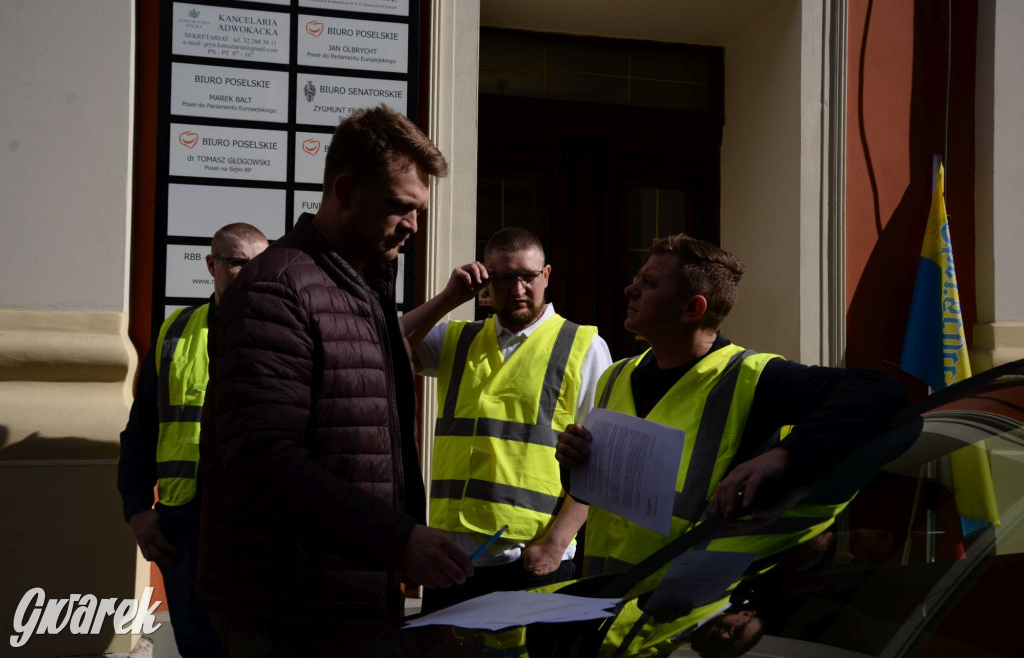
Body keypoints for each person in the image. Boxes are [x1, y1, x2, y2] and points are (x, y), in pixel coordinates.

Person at [197, 105, 474, 656]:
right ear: (345, 191)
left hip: (348, 599)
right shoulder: (278, 289)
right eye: (401, 207)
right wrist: (397, 539)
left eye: (420, 210)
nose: (414, 226)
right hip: (288, 614)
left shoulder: (358, 286)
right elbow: (263, 459)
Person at [554, 232, 908, 656]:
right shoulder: (618, 374)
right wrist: (575, 464)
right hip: (600, 623)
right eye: (637, 278)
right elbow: (600, 496)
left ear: (693, 308)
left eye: (648, 284)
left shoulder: (754, 377)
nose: (630, 289)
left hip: (684, 637)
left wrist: (784, 457)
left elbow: (881, 392)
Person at [401, 227, 613, 611]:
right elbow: (382, 346)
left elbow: (602, 461)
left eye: (528, 277)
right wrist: (447, 299)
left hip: (531, 558)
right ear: (485, 281)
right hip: (451, 556)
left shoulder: (584, 346)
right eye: (503, 278)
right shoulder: (457, 339)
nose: (517, 289)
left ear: (546, 275)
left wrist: (555, 544)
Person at [117, 222, 268, 657]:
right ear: (211, 265)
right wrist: (138, 510)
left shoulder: (285, 333)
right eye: (237, 262)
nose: (248, 272)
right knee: (198, 645)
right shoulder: (174, 331)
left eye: (258, 263)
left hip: (258, 525)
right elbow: (142, 430)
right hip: (184, 523)